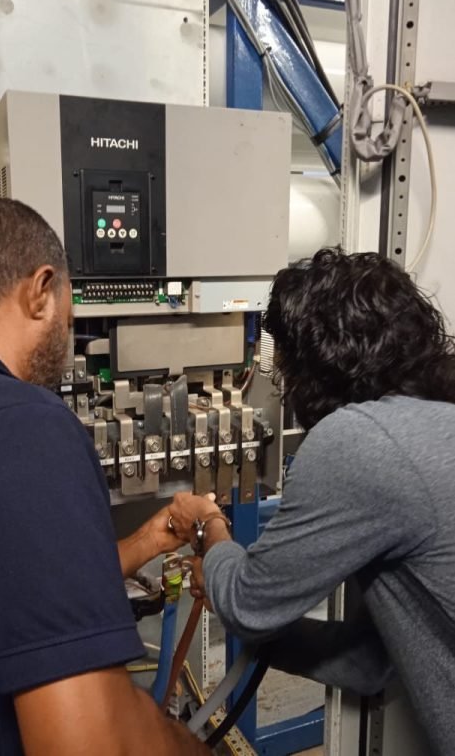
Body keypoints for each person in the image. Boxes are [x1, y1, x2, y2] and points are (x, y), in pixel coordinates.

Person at [0, 198, 208, 755]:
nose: (69, 339)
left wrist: (148, 541)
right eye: (71, 321)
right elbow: (94, 741)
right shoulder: (18, 424)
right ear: (41, 290)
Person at [169, 248, 455, 756]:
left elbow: (247, 604)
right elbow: (371, 664)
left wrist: (211, 529)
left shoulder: (364, 440)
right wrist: (237, 593)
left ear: (313, 362)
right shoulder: (435, 420)